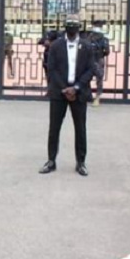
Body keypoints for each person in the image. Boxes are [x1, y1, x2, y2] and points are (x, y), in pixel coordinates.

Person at [39, 15, 95, 177]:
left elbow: (90, 69)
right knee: (54, 128)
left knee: (80, 128)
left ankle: (81, 162)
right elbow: (52, 68)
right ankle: (51, 160)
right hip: (59, 92)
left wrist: (76, 88)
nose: (72, 28)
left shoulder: (86, 46)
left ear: (79, 28)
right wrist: (65, 89)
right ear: (65, 27)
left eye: (75, 25)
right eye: (69, 25)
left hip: (79, 93)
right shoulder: (56, 45)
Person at [87, 20, 110, 106]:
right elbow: (107, 51)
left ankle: (96, 97)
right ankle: (94, 97)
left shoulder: (89, 37)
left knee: (96, 78)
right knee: (94, 79)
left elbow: (107, 51)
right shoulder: (102, 38)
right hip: (94, 59)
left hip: (95, 59)